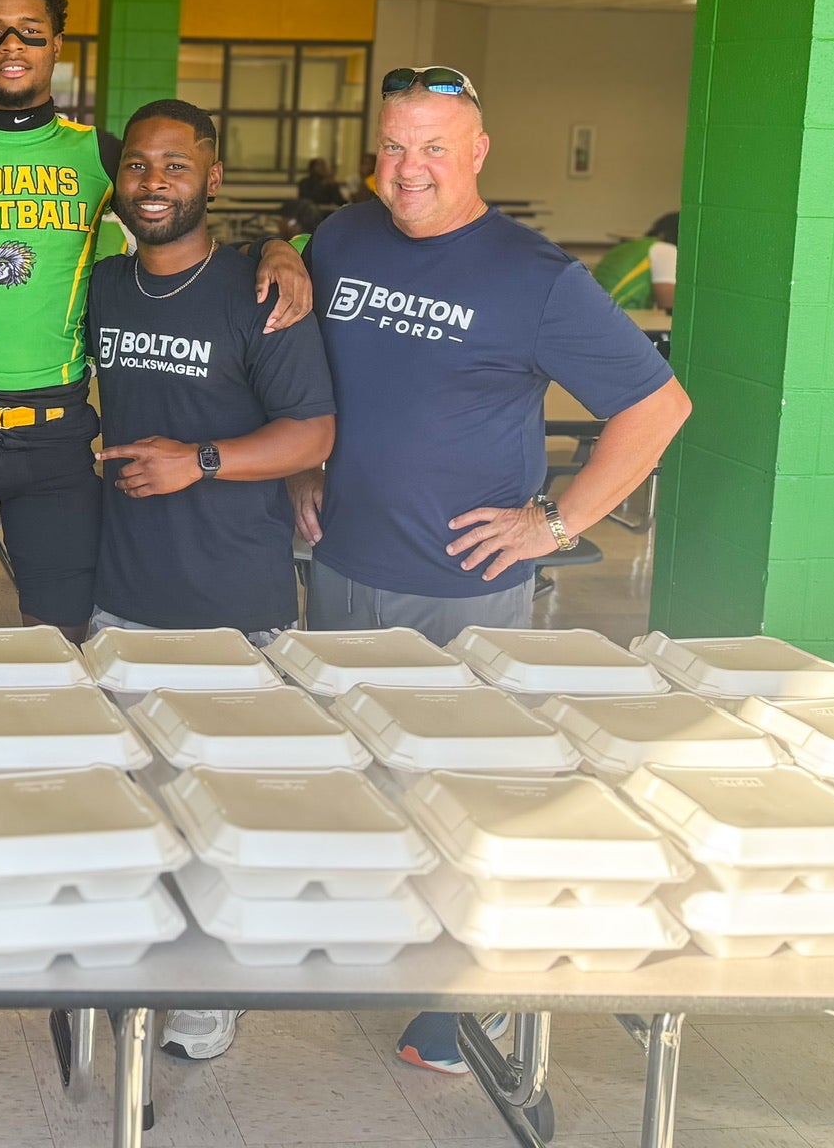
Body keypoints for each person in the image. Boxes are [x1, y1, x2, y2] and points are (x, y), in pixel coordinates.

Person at [287, 64, 690, 1076]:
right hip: (341, 559)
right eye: (392, 146)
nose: (408, 168)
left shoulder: (535, 277)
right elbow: (315, 367)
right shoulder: (341, 238)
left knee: (461, 790)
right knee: (362, 771)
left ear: (477, 153)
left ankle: (469, 1000)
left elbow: (657, 408)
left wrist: (555, 520)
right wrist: (304, 464)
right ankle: (390, 949)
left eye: (433, 147)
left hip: (461, 582)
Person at [0, 0, 311, 636]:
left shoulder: (100, 155)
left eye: (30, 32)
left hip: (58, 436)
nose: (12, 46)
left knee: (60, 634)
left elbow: (175, 224)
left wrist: (271, 248)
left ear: (57, 45)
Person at [87, 99, 336, 1065]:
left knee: (229, 810)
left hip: (237, 603)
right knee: (137, 801)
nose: (154, 182)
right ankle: (145, 964)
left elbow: (311, 432)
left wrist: (198, 461)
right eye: (138, 165)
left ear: (213, 178)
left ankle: (210, 990)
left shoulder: (261, 292)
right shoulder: (103, 286)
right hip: (123, 591)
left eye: (175, 165)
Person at [594, 211, 681, 311]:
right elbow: (669, 303)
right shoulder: (664, 249)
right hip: (619, 312)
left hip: (597, 309)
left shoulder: (628, 246)